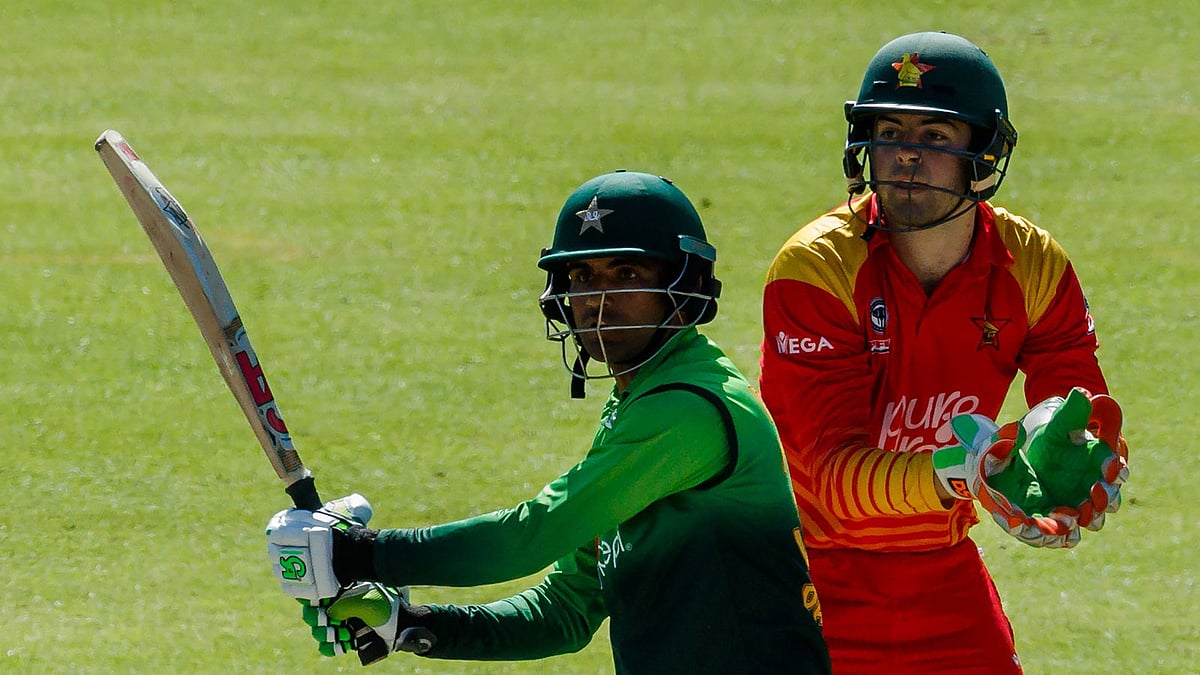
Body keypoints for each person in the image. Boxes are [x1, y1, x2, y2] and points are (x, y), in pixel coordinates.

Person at [266, 170, 831, 673]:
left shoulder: (689, 410)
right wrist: (411, 624)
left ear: (683, 289)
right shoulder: (637, 408)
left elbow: (527, 537)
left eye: (626, 272)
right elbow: (567, 609)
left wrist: (363, 552)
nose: (597, 300)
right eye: (581, 278)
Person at [758, 31, 1130, 673]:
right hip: (812, 577)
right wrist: (965, 473)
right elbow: (833, 477)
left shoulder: (1035, 266)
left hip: (944, 572)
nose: (906, 157)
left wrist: (1064, 462)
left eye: (935, 137)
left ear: (981, 152)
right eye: (891, 131)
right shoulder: (814, 269)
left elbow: (1069, 402)